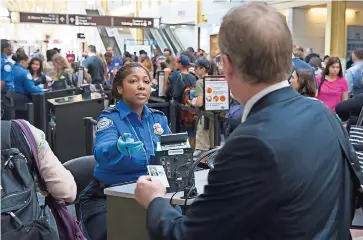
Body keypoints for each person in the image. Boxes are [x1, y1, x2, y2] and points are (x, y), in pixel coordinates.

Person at [134, 3, 352, 239]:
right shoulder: (324, 114)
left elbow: (189, 236)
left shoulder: (249, 142)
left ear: (226, 64)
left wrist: (155, 201)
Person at [79, 62, 171, 240]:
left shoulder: (158, 119)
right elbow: (101, 151)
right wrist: (117, 147)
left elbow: (169, 152)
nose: (142, 86)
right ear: (120, 88)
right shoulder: (109, 118)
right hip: (108, 197)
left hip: (150, 194)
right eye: (134, 81)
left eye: (146, 81)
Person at [192, 58, 214, 158]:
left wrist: (193, 102)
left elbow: (200, 103)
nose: (194, 69)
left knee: (203, 147)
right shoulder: (213, 79)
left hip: (204, 117)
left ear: (203, 69)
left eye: (196, 67)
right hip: (214, 116)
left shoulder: (200, 82)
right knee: (213, 146)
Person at [12, 51, 43, 119]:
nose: (28, 64)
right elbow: (31, 88)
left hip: (10, 99)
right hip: (22, 101)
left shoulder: (11, 69)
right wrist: (41, 90)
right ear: (23, 61)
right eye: (28, 62)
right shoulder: (25, 72)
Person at [1, 39, 15, 120]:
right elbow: (2, 82)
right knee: (9, 119)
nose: (12, 48)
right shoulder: (6, 63)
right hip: (4, 96)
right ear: (6, 49)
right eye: (10, 46)